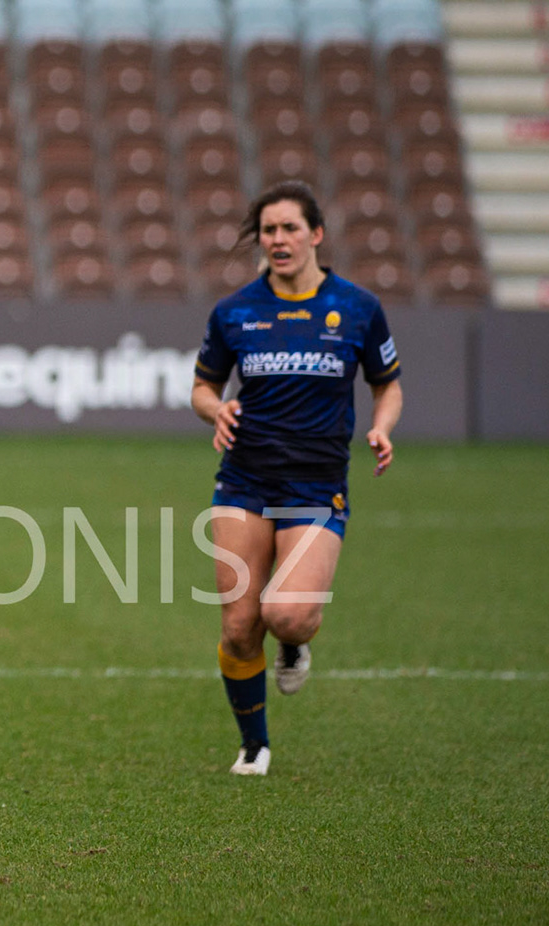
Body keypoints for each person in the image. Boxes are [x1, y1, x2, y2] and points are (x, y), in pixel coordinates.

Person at [191, 180, 404, 776]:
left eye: (289, 228)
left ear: (316, 234)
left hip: (315, 486)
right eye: (268, 230)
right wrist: (216, 409)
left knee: (286, 615)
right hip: (244, 479)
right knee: (239, 626)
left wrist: (382, 427)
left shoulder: (356, 307)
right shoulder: (234, 312)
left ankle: (293, 642)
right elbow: (203, 387)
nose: (278, 239)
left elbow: (387, 384)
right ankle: (253, 745)